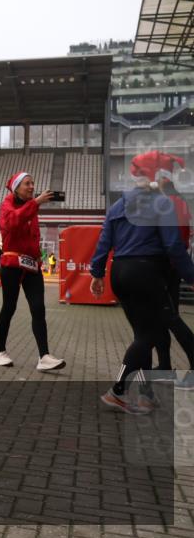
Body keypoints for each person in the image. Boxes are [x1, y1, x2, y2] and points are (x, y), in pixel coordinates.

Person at [90, 151, 194, 413]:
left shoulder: (118, 205)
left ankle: (146, 395)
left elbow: (104, 241)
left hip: (119, 273)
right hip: (147, 272)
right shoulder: (162, 203)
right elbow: (174, 246)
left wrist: (97, 273)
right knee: (149, 336)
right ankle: (118, 390)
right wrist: (191, 276)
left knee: (143, 335)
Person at [0, 172, 65, 372]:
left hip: (32, 265)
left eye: (33, 183)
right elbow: (11, 223)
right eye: (27, 184)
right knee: (9, 307)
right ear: (16, 187)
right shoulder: (7, 204)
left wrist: (38, 257)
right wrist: (36, 203)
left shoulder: (31, 207)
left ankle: (44, 356)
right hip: (11, 263)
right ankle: (0, 352)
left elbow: (33, 237)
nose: (32, 187)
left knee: (38, 308)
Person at [147, 151, 194, 383]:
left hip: (166, 267)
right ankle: (164, 365)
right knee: (163, 319)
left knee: (170, 318)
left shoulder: (169, 202)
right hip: (170, 266)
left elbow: (175, 240)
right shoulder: (179, 201)